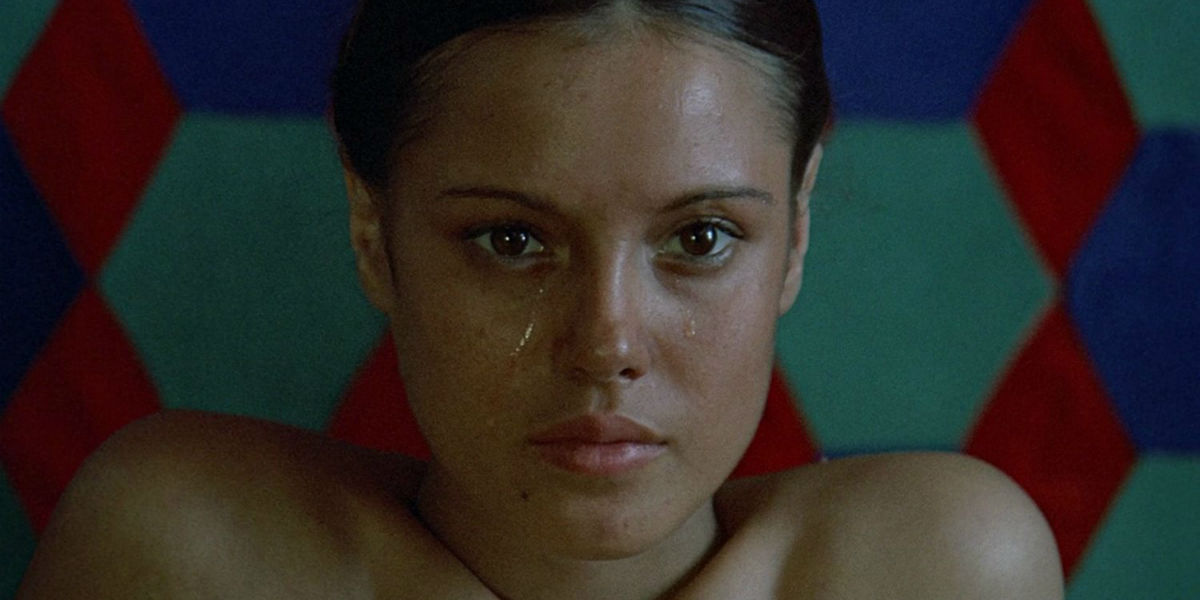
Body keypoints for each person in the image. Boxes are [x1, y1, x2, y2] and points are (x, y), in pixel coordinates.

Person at [17, 1, 1064, 598]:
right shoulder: (185, 553)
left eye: (700, 238)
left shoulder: (941, 568)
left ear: (797, 231)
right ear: (373, 232)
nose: (605, 342)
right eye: (511, 240)